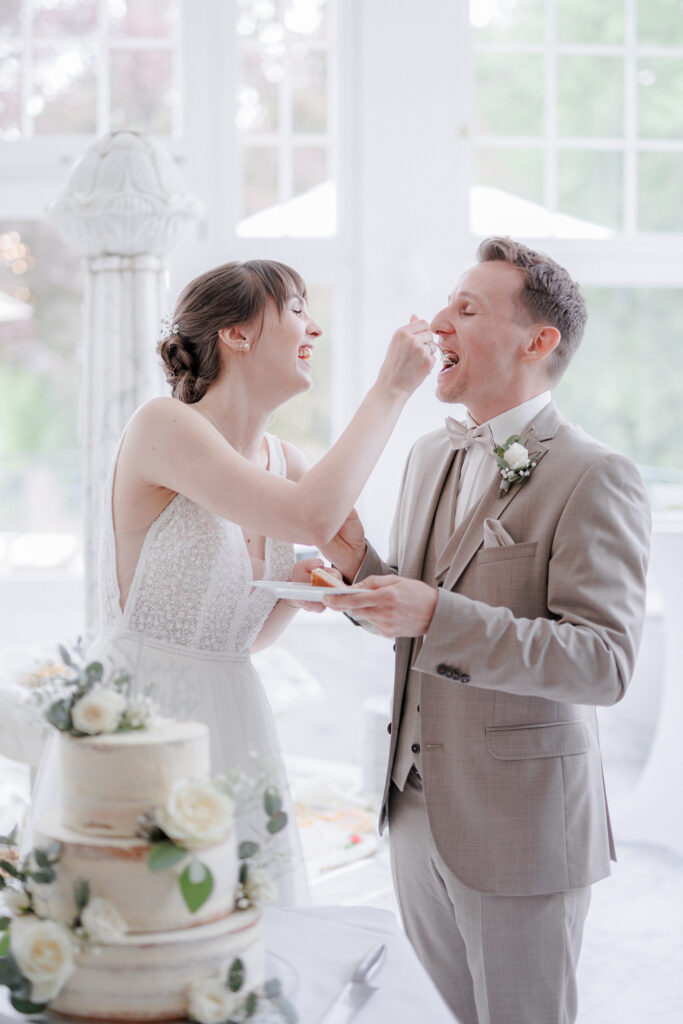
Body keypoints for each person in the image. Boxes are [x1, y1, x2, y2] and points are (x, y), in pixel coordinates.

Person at [25, 259, 435, 906]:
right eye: (297, 308)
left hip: (233, 710)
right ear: (236, 335)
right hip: (143, 718)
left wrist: (299, 587)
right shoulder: (163, 427)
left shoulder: (287, 463)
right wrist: (388, 389)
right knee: (144, 918)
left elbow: (246, 637)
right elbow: (310, 515)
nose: (315, 328)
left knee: (238, 919)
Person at [320, 237, 651, 1023]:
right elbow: (421, 616)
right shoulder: (430, 456)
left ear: (539, 343)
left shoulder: (594, 474)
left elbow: (602, 664)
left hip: (520, 825)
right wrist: (355, 568)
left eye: (465, 309)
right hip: (411, 812)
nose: (436, 323)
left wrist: (437, 614)